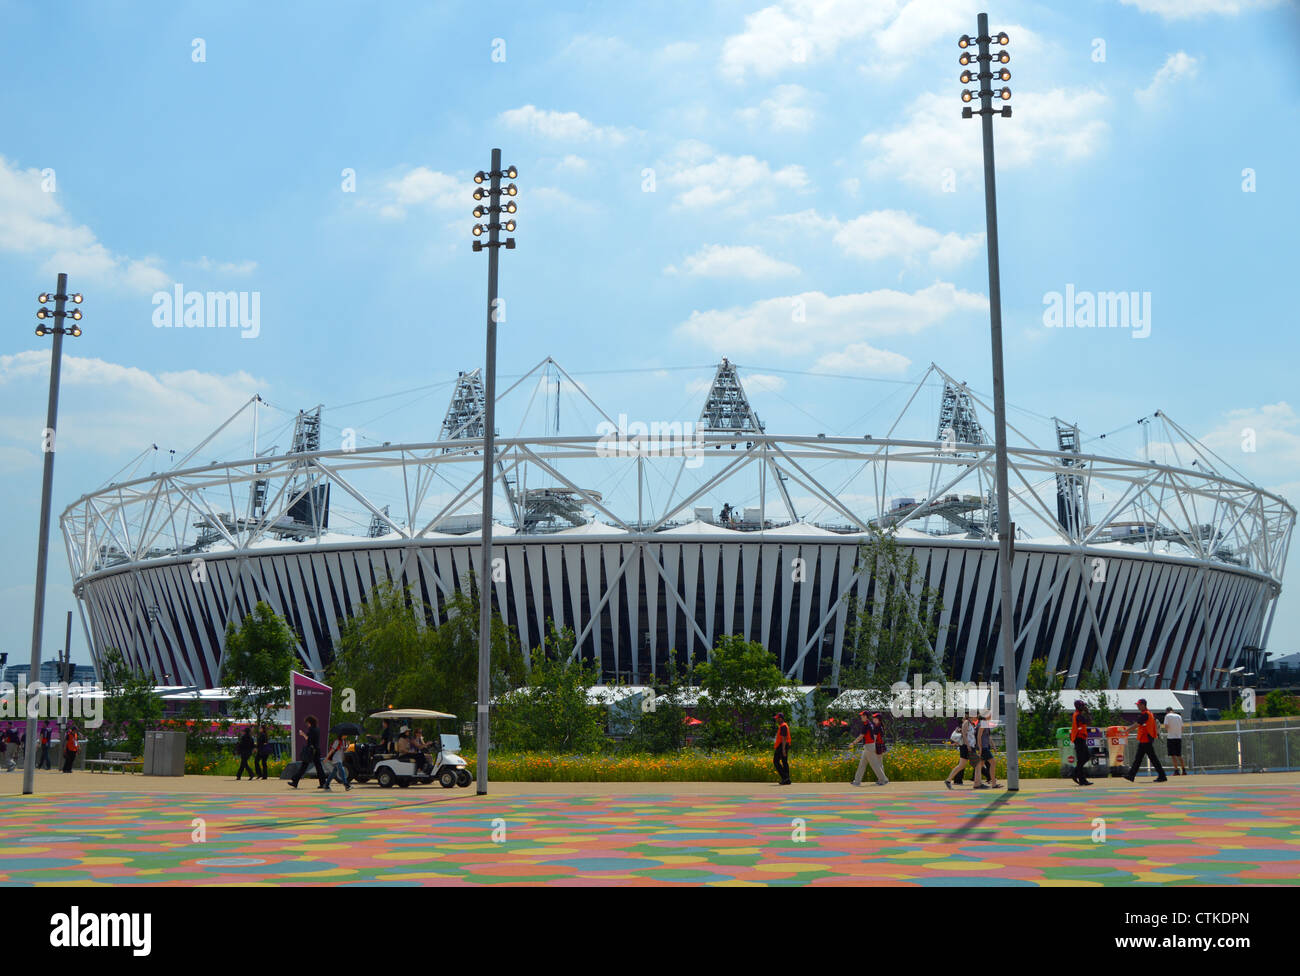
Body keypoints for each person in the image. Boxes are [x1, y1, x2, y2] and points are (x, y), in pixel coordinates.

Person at [1124, 698, 1167, 783]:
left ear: (1143, 705)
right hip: (1146, 739)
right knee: (1139, 758)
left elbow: (1136, 724)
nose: (1138, 706)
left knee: (1151, 758)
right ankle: (1131, 775)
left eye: (1139, 705)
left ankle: (1162, 776)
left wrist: (1126, 730)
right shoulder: (1149, 713)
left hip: (1146, 739)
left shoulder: (1145, 714)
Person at [289, 715, 329, 789]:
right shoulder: (317, 729)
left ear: (309, 722)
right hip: (316, 750)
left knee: (304, 766)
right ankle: (323, 783)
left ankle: (295, 781)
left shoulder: (311, 729)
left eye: (307, 723)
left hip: (311, 751)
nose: (306, 724)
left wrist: (302, 734)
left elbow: (308, 739)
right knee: (318, 767)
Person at [852, 711, 889, 786]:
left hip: (870, 746)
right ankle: (857, 781)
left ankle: (883, 779)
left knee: (875, 764)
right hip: (870, 746)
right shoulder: (872, 725)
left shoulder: (868, 725)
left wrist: (853, 743)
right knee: (862, 764)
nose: (861, 717)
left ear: (866, 716)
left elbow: (862, 736)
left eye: (862, 715)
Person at [944, 716, 975, 789]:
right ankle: (978, 783)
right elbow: (964, 735)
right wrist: (968, 746)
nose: (976, 716)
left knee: (962, 765)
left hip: (969, 746)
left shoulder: (970, 723)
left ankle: (948, 780)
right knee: (977, 764)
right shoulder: (966, 722)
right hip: (966, 746)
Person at [971, 712, 999, 789]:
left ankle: (977, 783)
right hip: (983, 748)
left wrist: (993, 746)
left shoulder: (985, 724)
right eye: (990, 715)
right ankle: (993, 783)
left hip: (984, 747)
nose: (991, 716)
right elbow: (979, 737)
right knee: (993, 763)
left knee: (979, 766)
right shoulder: (983, 724)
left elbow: (988, 737)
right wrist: (980, 748)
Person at [1070, 699, 1094, 786]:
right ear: (1079, 707)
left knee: (1086, 756)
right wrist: (1088, 712)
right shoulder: (1078, 716)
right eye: (1083, 706)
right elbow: (1089, 721)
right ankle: (1082, 779)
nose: (1084, 707)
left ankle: (1075, 772)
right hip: (1079, 739)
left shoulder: (1078, 714)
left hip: (1081, 738)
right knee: (1081, 759)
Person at [1162, 708, 1186, 776]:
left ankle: (1176, 770)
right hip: (1178, 737)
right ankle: (1184, 770)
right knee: (1179, 755)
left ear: (1167, 711)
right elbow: (1182, 727)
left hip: (1171, 737)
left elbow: (1166, 726)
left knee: (1173, 755)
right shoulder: (1179, 716)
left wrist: (1169, 730)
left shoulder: (1167, 716)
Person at [773, 713, 791, 785]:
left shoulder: (783, 726)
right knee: (784, 761)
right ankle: (787, 779)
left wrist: (783, 749)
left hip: (782, 745)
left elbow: (784, 738)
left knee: (776, 761)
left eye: (777, 718)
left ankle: (785, 777)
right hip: (784, 745)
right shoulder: (783, 726)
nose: (776, 719)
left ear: (781, 718)